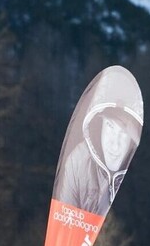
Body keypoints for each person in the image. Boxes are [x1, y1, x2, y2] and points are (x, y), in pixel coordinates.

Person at [53, 73, 143, 216]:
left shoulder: (144, 176)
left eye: (124, 133)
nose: (115, 144)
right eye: (110, 127)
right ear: (98, 125)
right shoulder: (78, 163)